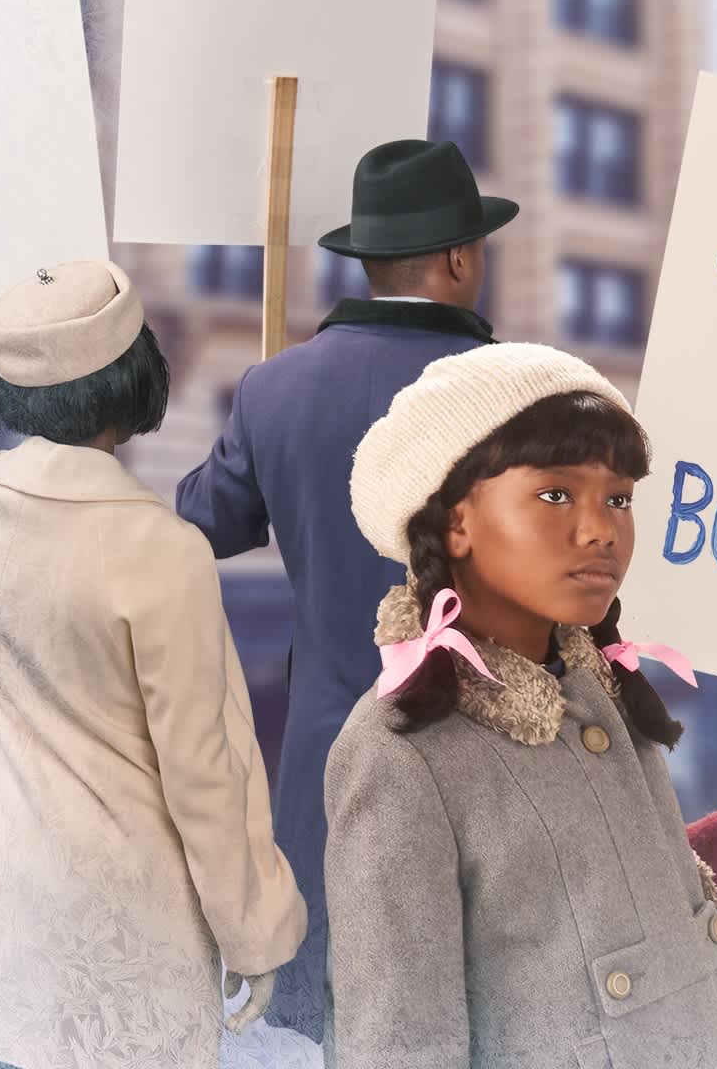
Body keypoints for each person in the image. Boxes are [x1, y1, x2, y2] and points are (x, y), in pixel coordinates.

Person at [322, 342, 717, 1068]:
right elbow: (399, 1044)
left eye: (619, 498)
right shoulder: (399, 751)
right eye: (557, 494)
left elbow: (583, 902)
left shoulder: (594, 684)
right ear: (455, 523)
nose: (602, 528)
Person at [174, 138, 509, 1040]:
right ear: (457, 258)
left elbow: (201, 522)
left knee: (344, 1024)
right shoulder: (521, 398)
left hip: (328, 774)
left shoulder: (272, 388)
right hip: (493, 769)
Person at [0, 260, 305, 1067]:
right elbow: (205, 769)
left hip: (1, 916)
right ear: (134, 379)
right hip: (131, 929)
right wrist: (254, 930)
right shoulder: (160, 548)